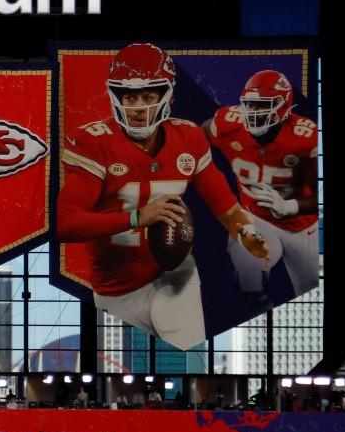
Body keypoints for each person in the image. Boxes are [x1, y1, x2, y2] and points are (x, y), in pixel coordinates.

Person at [56, 43, 274, 350]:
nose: (139, 106)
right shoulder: (93, 142)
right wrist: (136, 217)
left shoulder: (189, 137)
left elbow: (226, 207)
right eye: (130, 96)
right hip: (113, 287)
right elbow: (66, 224)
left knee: (184, 348)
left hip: (173, 274)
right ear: (115, 96)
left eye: (148, 95)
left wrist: (247, 232)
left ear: (166, 95)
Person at [205, 68, 321, 303]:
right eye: (251, 104)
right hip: (256, 218)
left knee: (309, 290)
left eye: (262, 105)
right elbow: (193, 139)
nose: (254, 112)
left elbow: (317, 195)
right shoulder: (228, 123)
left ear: (283, 106)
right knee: (249, 282)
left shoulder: (303, 137)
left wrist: (289, 206)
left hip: (300, 226)